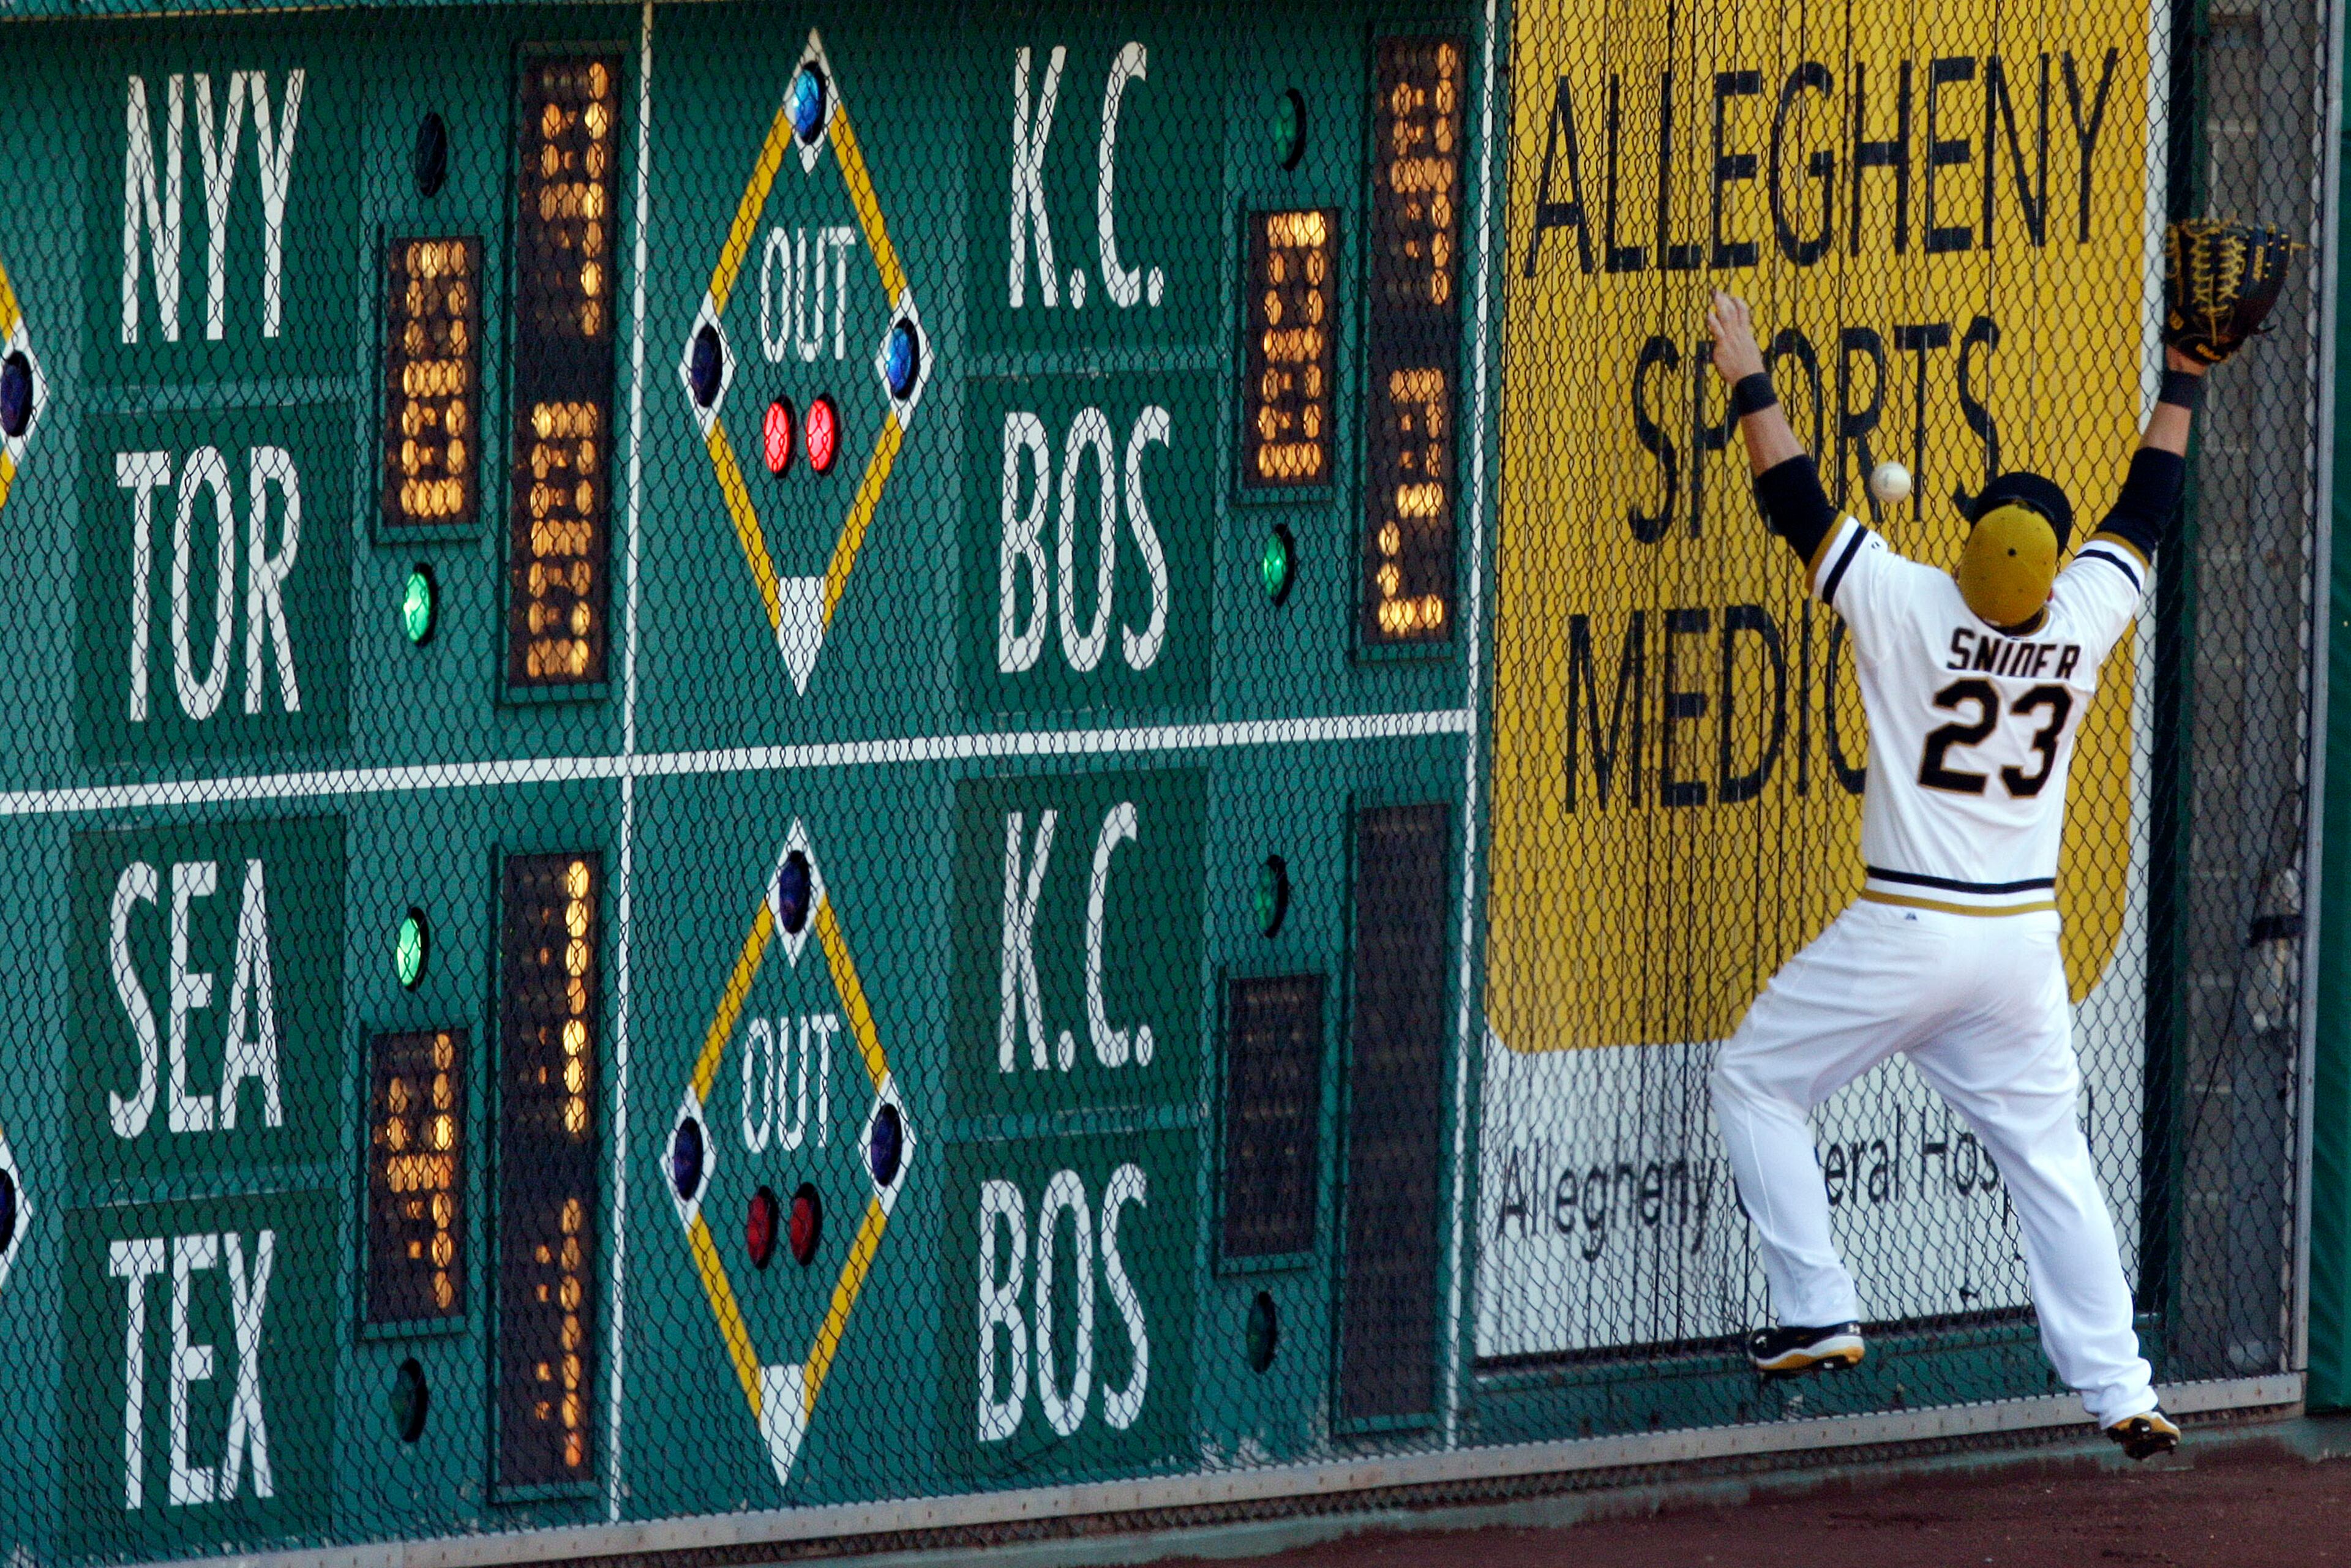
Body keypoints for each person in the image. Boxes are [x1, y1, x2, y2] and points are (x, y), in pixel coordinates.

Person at [1700, 288, 2206, 1460]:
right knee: (2054, 1161)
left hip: (1910, 930)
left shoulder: (1909, 597)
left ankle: (1816, 1306)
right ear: (2047, 567)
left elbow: (1797, 500)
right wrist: (2182, 376)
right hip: (2021, 949)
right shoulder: (2077, 617)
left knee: (1757, 1081)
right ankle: (2122, 1385)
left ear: (1972, 544)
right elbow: (2146, 513)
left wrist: (1748, 373)